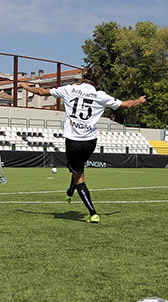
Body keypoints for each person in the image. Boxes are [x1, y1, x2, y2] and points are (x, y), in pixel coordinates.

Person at [20, 66, 147, 223]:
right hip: (90, 141)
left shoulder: (69, 89)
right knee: (78, 169)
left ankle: (92, 213)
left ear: (83, 76)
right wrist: (139, 100)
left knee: (79, 176)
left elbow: (41, 92)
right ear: (97, 80)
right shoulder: (100, 95)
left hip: (73, 140)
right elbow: (127, 105)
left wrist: (26, 87)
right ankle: (70, 192)